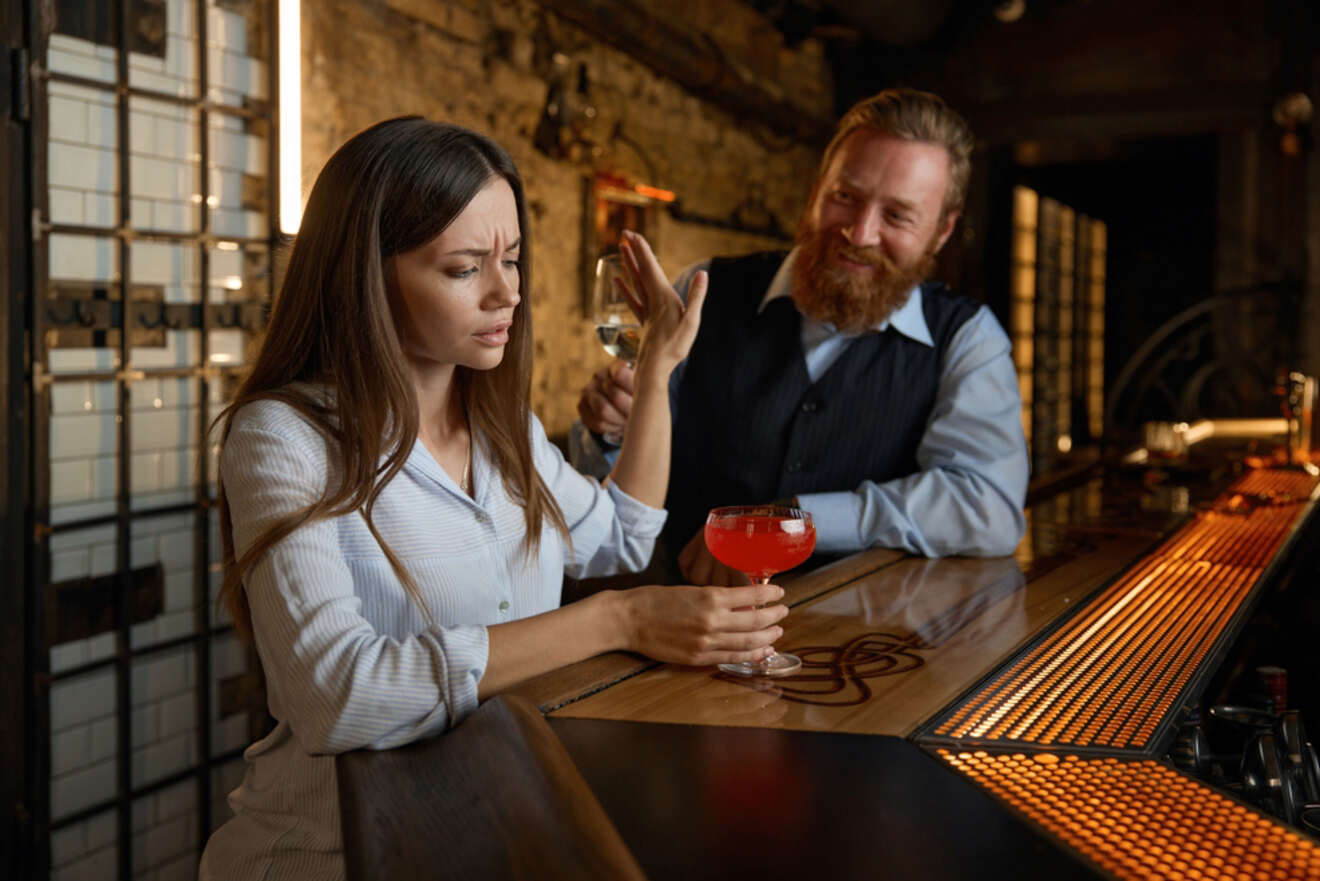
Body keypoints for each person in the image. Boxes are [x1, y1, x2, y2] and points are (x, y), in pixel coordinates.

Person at [198, 117, 788, 881]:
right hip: (334, 853)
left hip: (503, 825)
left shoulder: (504, 428)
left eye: (511, 259)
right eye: (464, 268)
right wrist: (620, 618)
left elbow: (621, 535)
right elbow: (336, 695)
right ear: (365, 275)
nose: (507, 292)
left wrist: (658, 372)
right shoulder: (284, 436)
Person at [575, 88, 1029, 584]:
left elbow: (988, 508)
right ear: (816, 192)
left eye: (896, 216)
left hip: (869, 647)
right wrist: (611, 429)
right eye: (845, 198)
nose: (859, 233)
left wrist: (793, 521)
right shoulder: (702, 292)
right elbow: (612, 487)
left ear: (941, 232)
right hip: (681, 621)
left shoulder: (968, 339)